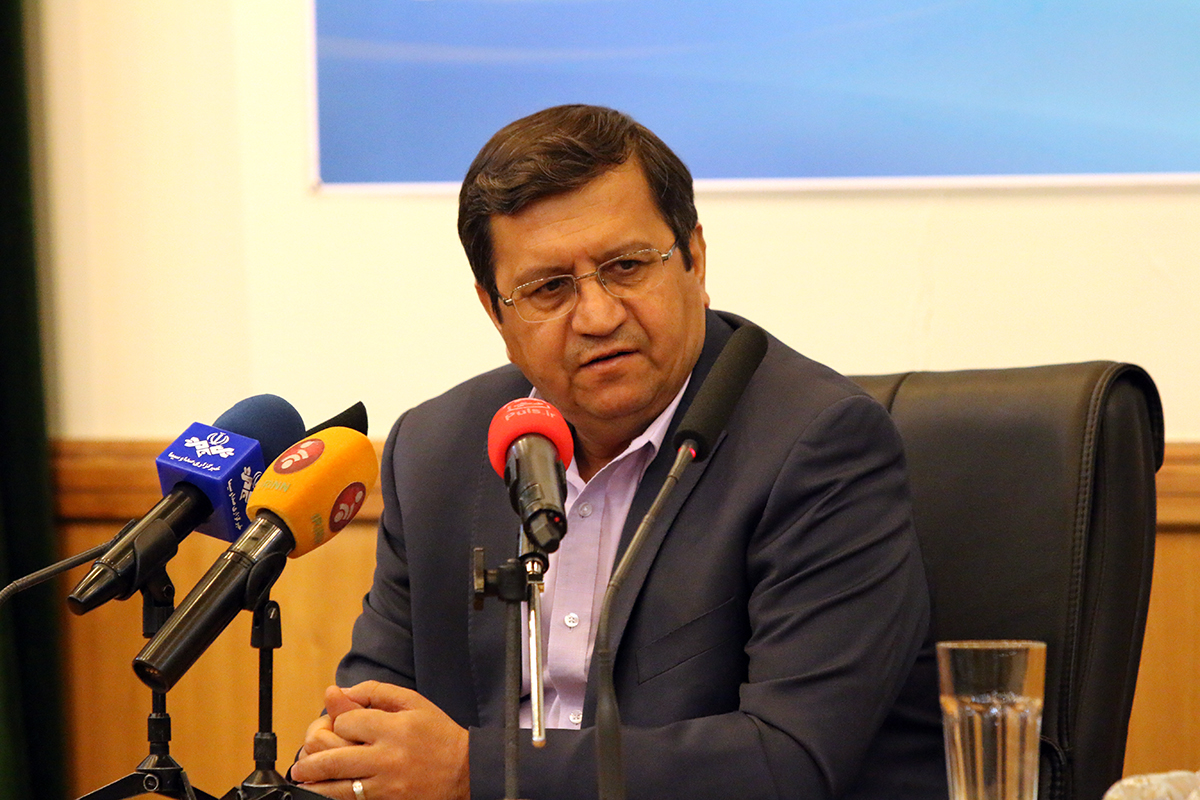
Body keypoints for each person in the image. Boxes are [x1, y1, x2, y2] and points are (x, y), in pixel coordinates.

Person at [288, 104, 946, 800]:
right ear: (494, 311)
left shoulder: (817, 445)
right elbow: (368, 729)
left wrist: (469, 771)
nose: (598, 316)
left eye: (627, 267)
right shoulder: (436, 453)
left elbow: (789, 761)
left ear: (694, 259)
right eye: (549, 288)